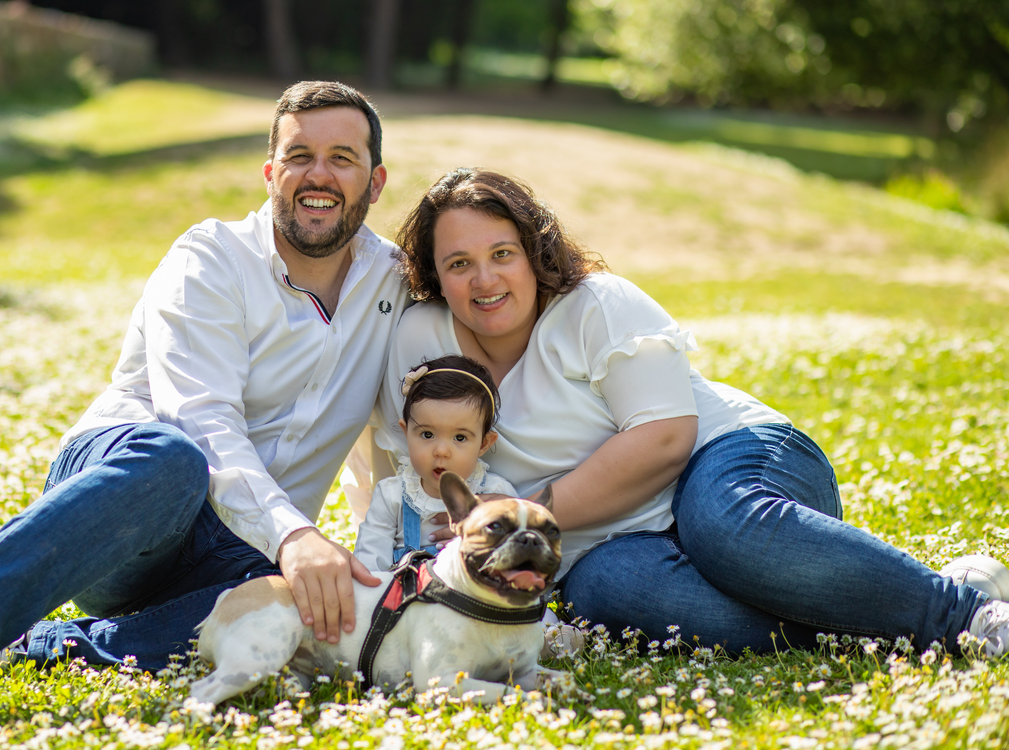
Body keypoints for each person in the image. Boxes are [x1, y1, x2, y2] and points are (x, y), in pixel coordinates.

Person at [0, 81, 410, 733]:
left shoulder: (394, 284)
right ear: (270, 174)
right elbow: (200, 425)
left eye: (342, 158)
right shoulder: (211, 259)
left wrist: (400, 570)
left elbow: (402, 439)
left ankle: (54, 646)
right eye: (299, 156)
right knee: (174, 459)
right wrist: (296, 535)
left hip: (244, 553)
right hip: (132, 499)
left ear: (376, 183)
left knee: (306, 605)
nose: (318, 175)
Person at [375, 166, 1009, 658]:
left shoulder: (594, 305)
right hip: (617, 544)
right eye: (458, 264)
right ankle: (889, 612)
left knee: (718, 523)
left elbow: (665, 440)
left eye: (502, 253)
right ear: (435, 276)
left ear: (533, 250)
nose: (485, 280)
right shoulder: (421, 341)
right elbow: (403, 467)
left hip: (730, 461)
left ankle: (965, 616)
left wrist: (522, 519)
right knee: (604, 593)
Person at [352, 354, 515, 572]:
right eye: (427, 434)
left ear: (484, 444)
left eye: (460, 438)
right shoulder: (392, 496)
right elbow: (369, 566)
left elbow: (516, 559)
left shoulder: (496, 494)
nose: (441, 451)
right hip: (404, 592)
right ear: (406, 432)